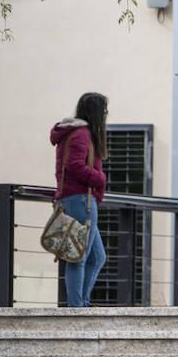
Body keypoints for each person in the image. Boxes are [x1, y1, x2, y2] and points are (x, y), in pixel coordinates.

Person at [50, 92, 109, 308]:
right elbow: (75, 165)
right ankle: (76, 309)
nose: (105, 116)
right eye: (104, 111)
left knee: (97, 257)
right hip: (79, 200)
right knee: (79, 257)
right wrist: (100, 178)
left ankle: (81, 303)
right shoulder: (81, 134)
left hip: (81, 200)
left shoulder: (76, 133)